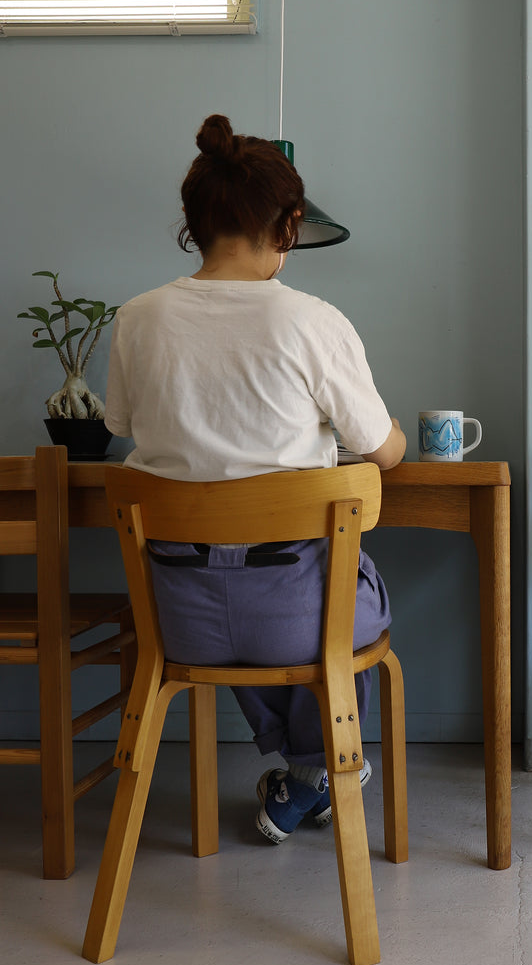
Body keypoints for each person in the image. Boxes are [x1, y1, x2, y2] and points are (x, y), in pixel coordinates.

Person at [105, 113, 406, 843]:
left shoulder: (138, 320)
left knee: (244, 590)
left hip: (181, 621)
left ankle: (304, 777)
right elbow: (385, 452)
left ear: (194, 224)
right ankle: (320, 768)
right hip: (297, 619)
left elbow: (118, 427)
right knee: (336, 592)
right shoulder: (311, 321)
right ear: (289, 225)